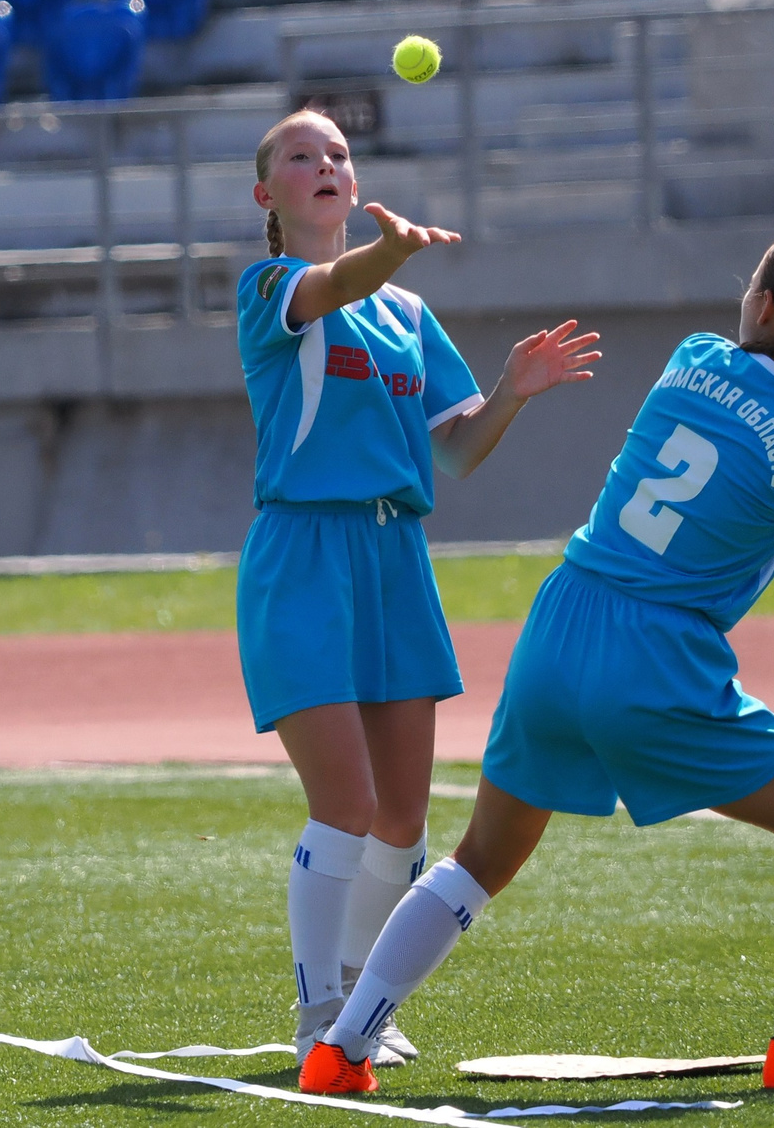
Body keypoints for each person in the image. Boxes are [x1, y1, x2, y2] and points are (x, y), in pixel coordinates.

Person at [299, 230, 774, 1096]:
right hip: (655, 658)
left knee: (479, 858)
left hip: (562, 621)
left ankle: (343, 1045)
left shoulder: (694, 358)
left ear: (764, 306)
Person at [238, 109, 601, 1068]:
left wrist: (513, 388)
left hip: (397, 555)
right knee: (344, 805)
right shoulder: (270, 286)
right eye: (301, 156)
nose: (326, 164)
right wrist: (392, 251)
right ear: (268, 192)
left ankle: (363, 1000)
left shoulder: (405, 313)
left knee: (402, 818)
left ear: (355, 183)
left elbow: (460, 450)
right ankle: (317, 1010)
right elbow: (336, 284)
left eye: (338, 154)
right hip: (305, 554)